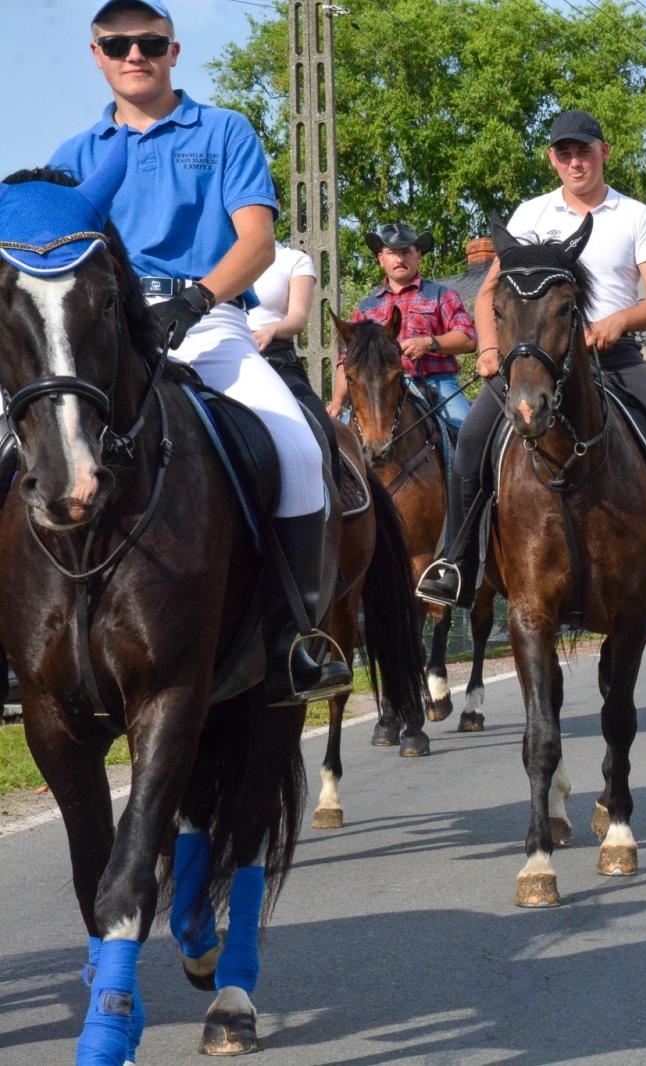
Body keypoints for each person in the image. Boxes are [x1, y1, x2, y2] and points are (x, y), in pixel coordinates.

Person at [52, 0, 349, 706]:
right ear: (97, 55)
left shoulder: (223, 132)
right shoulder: (74, 156)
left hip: (206, 321)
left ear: (173, 52)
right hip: (107, 329)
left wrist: (199, 300)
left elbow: (258, 243)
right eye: (118, 44)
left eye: (149, 42)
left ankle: (295, 636)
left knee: (301, 449)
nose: (135, 55)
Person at [415, 109, 646, 609]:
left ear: (604, 153)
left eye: (584, 150)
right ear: (552, 159)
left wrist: (618, 321)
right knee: (471, 440)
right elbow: (489, 293)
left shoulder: (634, 215)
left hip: (614, 357)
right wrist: (491, 348)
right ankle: (458, 565)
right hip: (534, 360)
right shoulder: (531, 214)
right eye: (565, 153)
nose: (575, 161)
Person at [328, 222, 476, 432]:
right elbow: (346, 359)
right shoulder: (366, 307)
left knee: (469, 432)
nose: (399, 259)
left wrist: (429, 343)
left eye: (406, 252)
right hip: (379, 389)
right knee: (338, 440)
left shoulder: (441, 295)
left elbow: (468, 338)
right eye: (392, 253)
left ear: (418, 256)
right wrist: (338, 400)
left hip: (436, 383)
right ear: (381, 259)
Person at [248, 190, 340, 461]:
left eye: (261, 199)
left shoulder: (294, 260)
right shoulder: (214, 258)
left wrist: (271, 330)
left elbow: (298, 317)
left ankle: (337, 500)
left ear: (277, 206)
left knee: (323, 428)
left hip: (275, 356)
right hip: (224, 350)